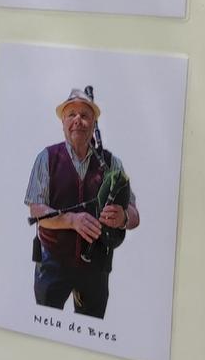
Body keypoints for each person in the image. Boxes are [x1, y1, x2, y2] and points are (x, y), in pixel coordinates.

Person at [25, 87, 140, 319]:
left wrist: (123, 217)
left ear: (93, 123)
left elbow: (134, 215)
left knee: (90, 331)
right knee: (45, 327)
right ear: (63, 122)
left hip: (95, 269)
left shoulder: (111, 163)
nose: (78, 120)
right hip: (53, 264)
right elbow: (36, 208)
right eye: (72, 114)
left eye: (85, 115)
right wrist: (71, 220)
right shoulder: (46, 158)